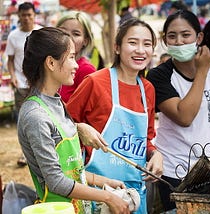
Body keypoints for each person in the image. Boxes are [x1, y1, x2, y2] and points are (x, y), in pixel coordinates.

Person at [17, 27, 130, 214]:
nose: (76, 65)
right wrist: (108, 198)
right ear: (51, 63)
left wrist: (105, 182)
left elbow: (71, 172)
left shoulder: (57, 102)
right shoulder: (35, 116)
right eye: (71, 57)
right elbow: (56, 182)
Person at [146, 10, 210, 212]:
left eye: (185, 35)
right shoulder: (158, 76)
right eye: (172, 36)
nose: (179, 41)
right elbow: (184, 116)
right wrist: (202, 71)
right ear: (165, 41)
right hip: (175, 172)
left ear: (198, 37)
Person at [66, 18, 163, 214]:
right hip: (97, 193)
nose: (140, 50)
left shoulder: (148, 89)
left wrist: (155, 154)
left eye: (147, 44)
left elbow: (146, 139)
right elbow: (61, 124)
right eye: (133, 42)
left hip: (134, 195)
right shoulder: (95, 82)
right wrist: (79, 128)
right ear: (117, 47)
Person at [5, 2, 42, 167]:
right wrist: (13, 77)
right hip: (21, 84)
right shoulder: (13, 36)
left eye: (29, 15)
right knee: (24, 119)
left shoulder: (41, 33)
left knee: (42, 118)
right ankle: (25, 153)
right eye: (23, 15)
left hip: (40, 83)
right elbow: (10, 60)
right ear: (18, 17)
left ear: (34, 15)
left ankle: (41, 152)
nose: (26, 18)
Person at [56, 11, 97, 103]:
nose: (68, 36)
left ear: (85, 41)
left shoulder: (86, 70)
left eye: (76, 34)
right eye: (63, 31)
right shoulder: (50, 62)